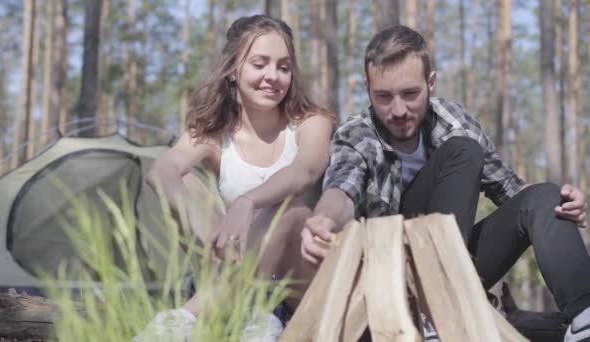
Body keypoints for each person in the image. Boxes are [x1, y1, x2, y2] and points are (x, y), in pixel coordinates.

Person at [301, 25, 590, 342]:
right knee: (462, 150)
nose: (398, 110)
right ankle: (432, 315)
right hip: (390, 281)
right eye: (383, 97)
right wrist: (323, 219)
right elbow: (341, 191)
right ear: (368, 88)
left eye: (410, 94)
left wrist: (559, 203)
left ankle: (584, 318)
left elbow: (513, 193)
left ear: (431, 82)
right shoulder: (357, 134)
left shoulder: (453, 121)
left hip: (458, 268)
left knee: (543, 194)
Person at [138, 15, 334, 341]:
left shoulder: (312, 122)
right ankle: (245, 309)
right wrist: (212, 242)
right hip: (233, 270)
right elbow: (161, 172)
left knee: (288, 209)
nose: (273, 76)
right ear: (233, 69)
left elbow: (306, 171)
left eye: (284, 67)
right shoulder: (215, 134)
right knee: (184, 183)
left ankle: (183, 320)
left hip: (299, 281)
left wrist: (248, 201)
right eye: (260, 64)